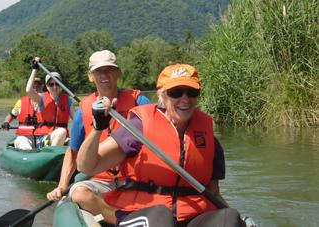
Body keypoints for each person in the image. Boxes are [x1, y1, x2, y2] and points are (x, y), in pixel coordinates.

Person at [77, 64, 245, 226]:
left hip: (192, 217)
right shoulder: (138, 128)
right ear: (161, 96)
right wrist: (98, 128)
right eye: (176, 92)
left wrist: (238, 220)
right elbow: (87, 166)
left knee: (228, 217)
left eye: (192, 92)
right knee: (161, 216)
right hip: (144, 214)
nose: (185, 99)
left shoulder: (208, 138)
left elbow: (214, 193)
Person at [46, 50, 150, 224]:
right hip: (103, 180)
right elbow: (72, 152)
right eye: (98, 71)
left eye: (109, 70)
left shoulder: (140, 102)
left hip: (135, 178)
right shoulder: (83, 111)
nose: (104, 75)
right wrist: (62, 184)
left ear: (118, 73)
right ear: (90, 76)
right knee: (79, 193)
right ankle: (122, 220)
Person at [26, 57, 75, 148]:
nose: (54, 87)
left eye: (57, 84)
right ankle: (51, 156)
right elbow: (28, 91)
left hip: (62, 137)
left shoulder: (67, 100)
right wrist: (34, 69)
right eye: (51, 84)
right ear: (47, 86)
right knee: (62, 131)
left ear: (61, 86)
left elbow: (77, 120)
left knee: (75, 141)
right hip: (43, 138)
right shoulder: (41, 98)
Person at [1, 77, 43, 150]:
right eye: (33, 87)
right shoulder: (21, 102)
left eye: (38, 86)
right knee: (22, 141)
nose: (35, 89)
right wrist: (6, 122)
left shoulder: (48, 102)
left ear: (42, 87)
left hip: (42, 136)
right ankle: (29, 155)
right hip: (25, 137)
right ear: (29, 88)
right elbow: (11, 116)